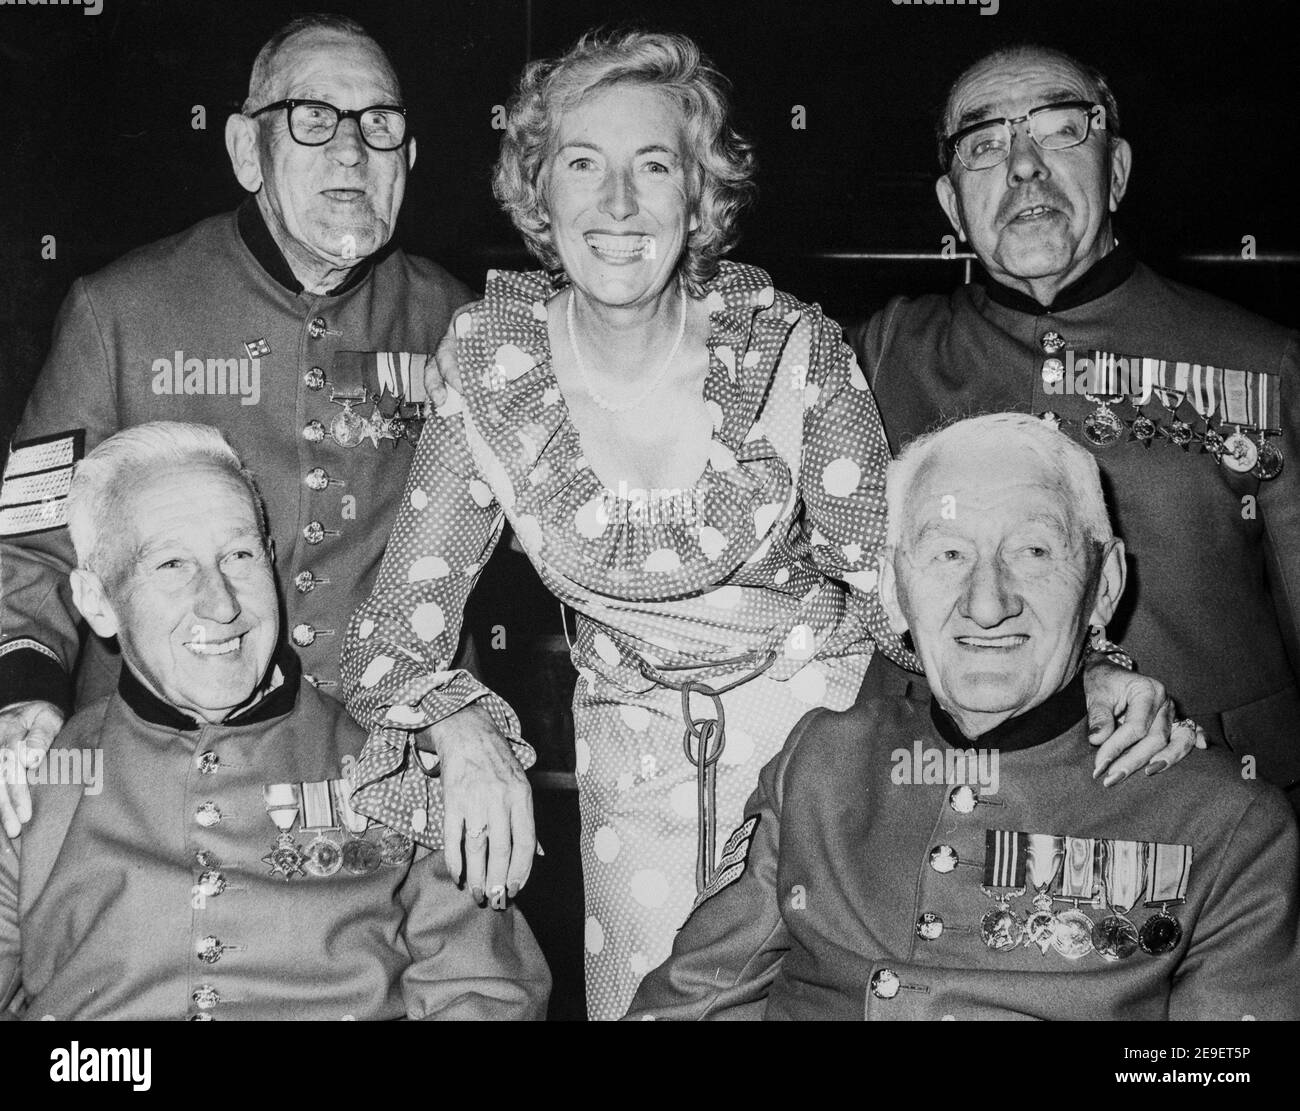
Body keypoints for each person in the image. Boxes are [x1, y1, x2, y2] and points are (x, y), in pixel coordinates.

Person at [341, 30, 1181, 1020]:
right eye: (582, 165)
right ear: (539, 192)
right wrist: (460, 724)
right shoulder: (491, 367)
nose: (617, 205)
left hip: (815, 755)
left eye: (653, 167)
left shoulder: (787, 347)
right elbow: (388, 640)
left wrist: (1094, 668)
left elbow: (896, 593)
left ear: (696, 196)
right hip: (631, 781)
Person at [0, 14, 539, 901]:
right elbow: (29, 542)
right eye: (314, 119)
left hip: (382, 780)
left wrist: (467, 721)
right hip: (149, 785)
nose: (353, 152)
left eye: (380, 124)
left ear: (409, 159)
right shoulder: (118, 313)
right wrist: (25, 693)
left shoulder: (462, 324)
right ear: (247, 153)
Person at [627, 413, 1300, 1021]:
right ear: (894, 590)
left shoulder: (1226, 827)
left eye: (1033, 551)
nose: (986, 603)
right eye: (948, 553)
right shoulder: (822, 763)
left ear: (1105, 587)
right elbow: (692, 999)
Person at [849, 44, 1300, 810]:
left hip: (1211, 817)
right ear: (953, 206)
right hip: (958, 821)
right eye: (984, 144)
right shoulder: (884, 357)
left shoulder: (1261, 362)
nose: (1024, 165)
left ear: (1117, 170)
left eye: (1062, 129)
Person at [0, 423, 549, 1020]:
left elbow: (487, 993)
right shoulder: (34, 781)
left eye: (239, 555)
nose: (222, 603)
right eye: (172, 564)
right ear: (97, 601)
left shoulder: (395, 763)